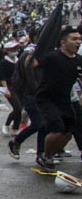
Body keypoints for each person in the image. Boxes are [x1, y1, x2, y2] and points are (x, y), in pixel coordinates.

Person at [33, 26, 82, 171]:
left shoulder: (79, 60)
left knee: (68, 132)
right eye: (74, 39)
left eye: (79, 39)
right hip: (47, 98)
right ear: (63, 42)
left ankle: (50, 154)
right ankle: (45, 156)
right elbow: (33, 64)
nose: (78, 42)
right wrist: (31, 56)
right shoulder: (51, 57)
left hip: (65, 99)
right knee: (56, 130)